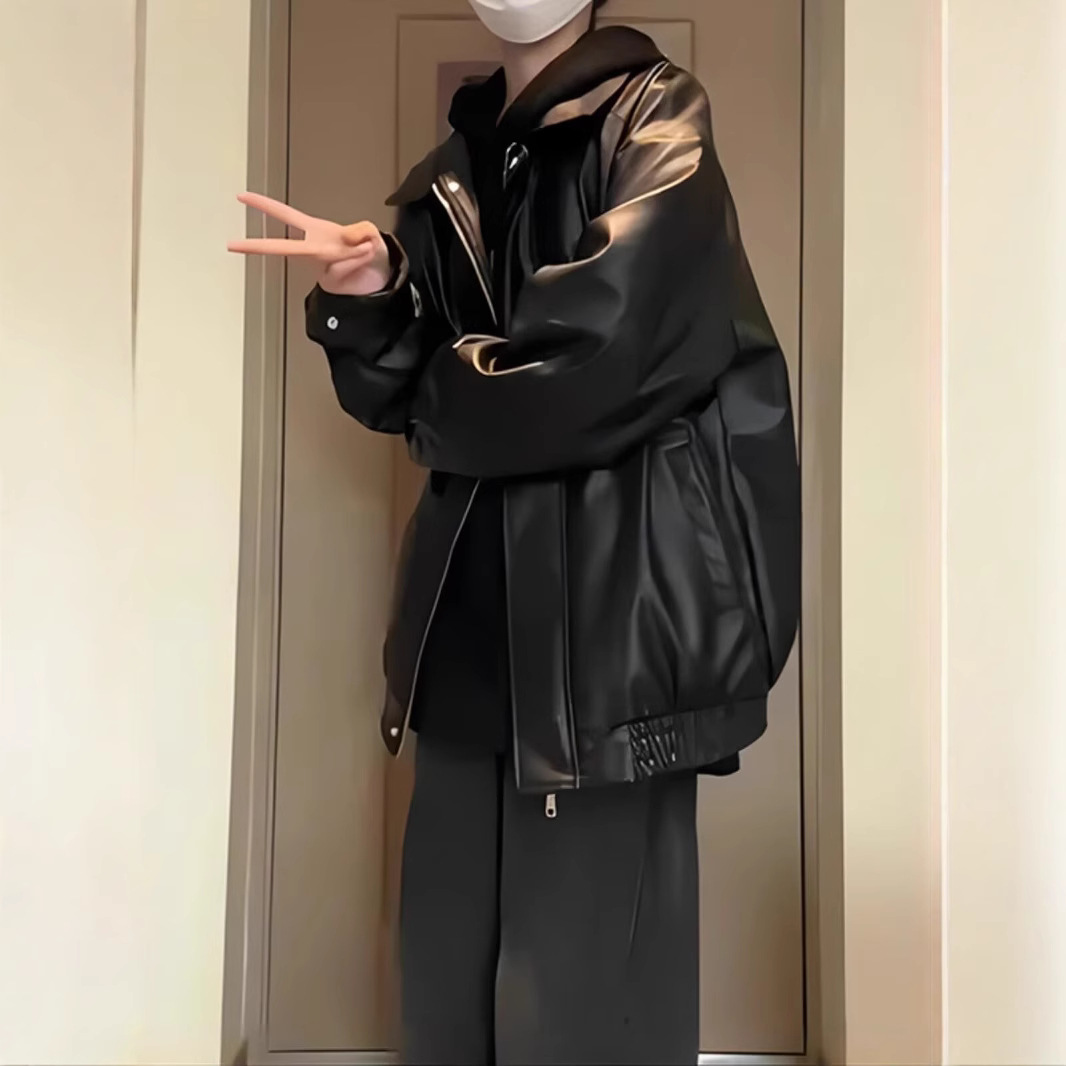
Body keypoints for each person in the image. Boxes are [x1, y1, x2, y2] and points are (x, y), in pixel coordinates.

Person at [228, 0, 800, 1061]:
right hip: (466, 643)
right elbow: (412, 400)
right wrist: (376, 298)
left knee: (583, 1009)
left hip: (606, 642)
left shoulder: (657, 119)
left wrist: (440, 381)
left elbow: (592, 365)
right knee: (449, 995)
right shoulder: (456, 168)